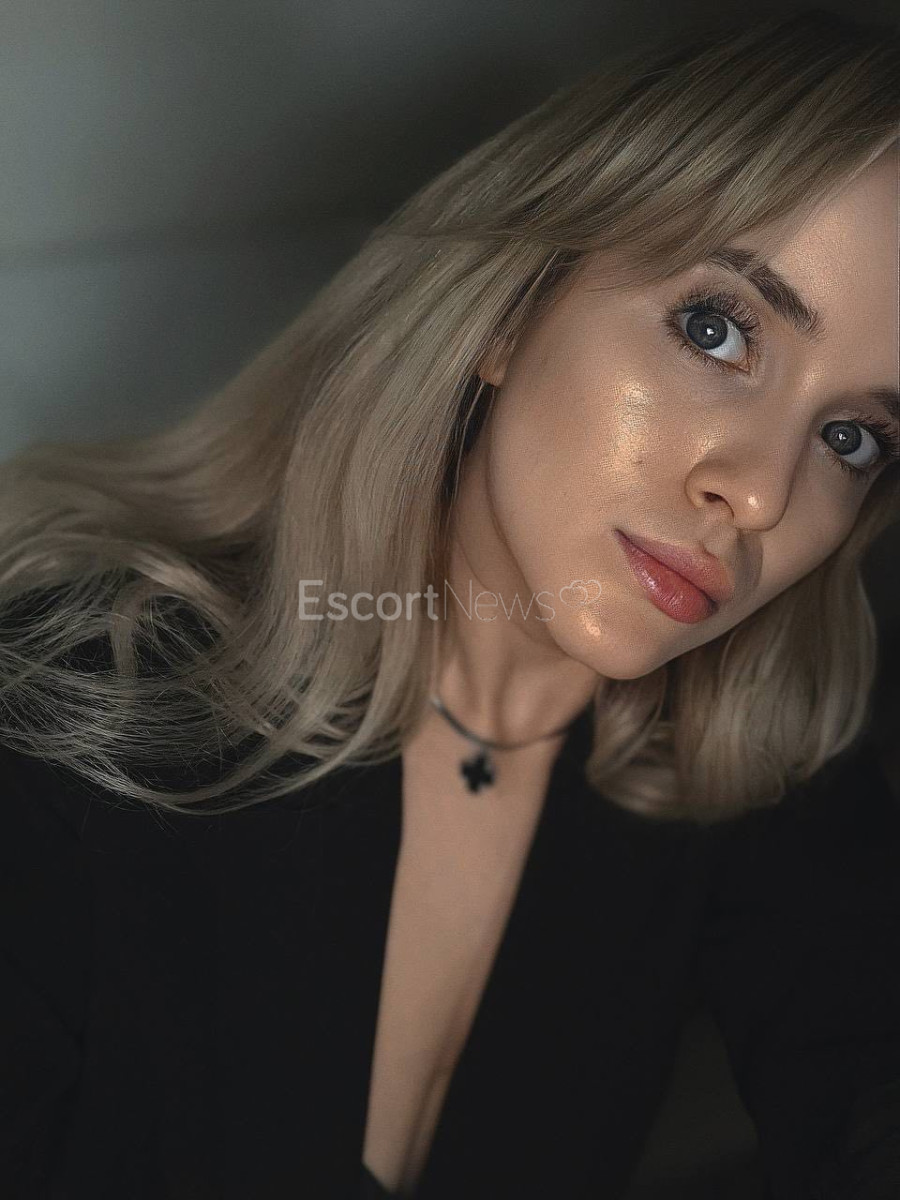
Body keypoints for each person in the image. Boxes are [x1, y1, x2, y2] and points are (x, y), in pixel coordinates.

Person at [1, 10, 898, 1199]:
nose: (762, 493)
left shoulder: (738, 758)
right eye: (716, 328)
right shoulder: (69, 721)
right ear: (513, 308)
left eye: (852, 436)